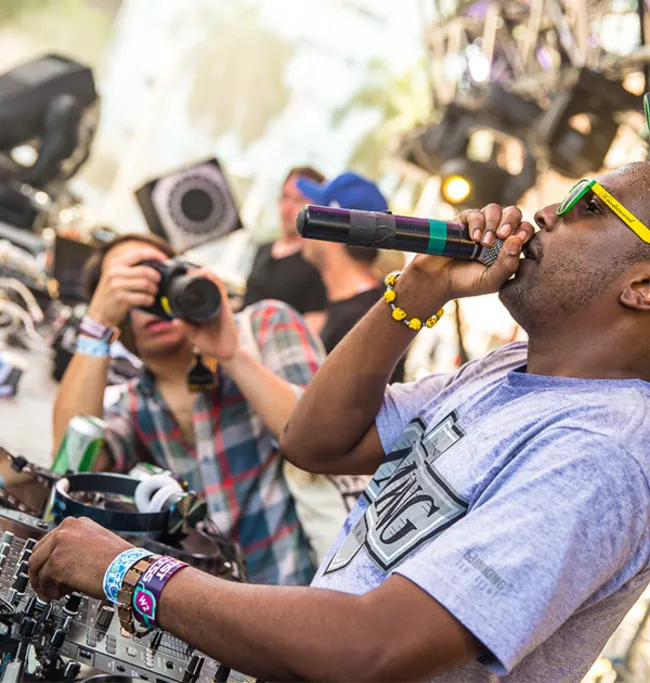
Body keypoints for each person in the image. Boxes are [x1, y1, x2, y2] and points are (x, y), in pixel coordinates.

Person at [31, 162, 650, 682]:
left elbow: (371, 647)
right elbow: (316, 441)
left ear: (643, 286)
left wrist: (127, 570)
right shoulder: (506, 368)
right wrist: (415, 294)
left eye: (588, 207)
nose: (545, 212)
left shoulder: (601, 453)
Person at [52, 233, 324, 586]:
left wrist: (231, 356)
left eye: (158, 274)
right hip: (215, 610)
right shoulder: (137, 404)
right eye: (128, 285)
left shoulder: (265, 324)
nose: (151, 295)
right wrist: (96, 327)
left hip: (307, 590)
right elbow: (75, 465)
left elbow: (322, 439)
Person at [297, 171, 405, 382]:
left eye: (317, 210)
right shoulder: (362, 308)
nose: (305, 220)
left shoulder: (362, 320)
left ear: (333, 228)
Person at [243, 166, 328, 334]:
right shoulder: (264, 250)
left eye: (298, 200)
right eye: (285, 197)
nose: (288, 207)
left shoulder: (316, 263)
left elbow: (312, 328)